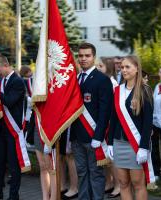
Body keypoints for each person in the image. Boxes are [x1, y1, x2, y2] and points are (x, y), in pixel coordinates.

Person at [70, 43, 113, 200]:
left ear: (93, 57)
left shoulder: (102, 80)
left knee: (96, 174)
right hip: (76, 136)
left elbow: (105, 111)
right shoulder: (75, 80)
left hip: (94, 136)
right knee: (82, 173)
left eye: (87, 56)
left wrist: (99, 136)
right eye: (80, 56)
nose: (83, 59)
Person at [107, 56, 153, 200]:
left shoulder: (144, 90)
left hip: (136, 145)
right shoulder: (118, 90)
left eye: (128, 67)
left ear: (137, 69)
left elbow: (148, 122)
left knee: (138, 184)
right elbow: (113, 118)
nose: (124, 70)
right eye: (122, 67)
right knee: (123, 183)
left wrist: (143, 147)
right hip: (119, 144)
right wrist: (109, 143)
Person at [0, 55, 29, 200]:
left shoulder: (17, 81)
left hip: (13, 129)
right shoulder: (1, 80)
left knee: (14, 165)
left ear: (5, 65)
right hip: (1, 128)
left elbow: (9, 101)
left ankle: (14, 196)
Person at [97, 57, 120, 198]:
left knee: (111, 158)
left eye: (101, 65)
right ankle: (109, 183)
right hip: (102, 122)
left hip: (109, 123)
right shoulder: (103, 81)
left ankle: (118, 185)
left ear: (108, 67)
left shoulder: (112, 83)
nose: (98, 68)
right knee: (105, 157)